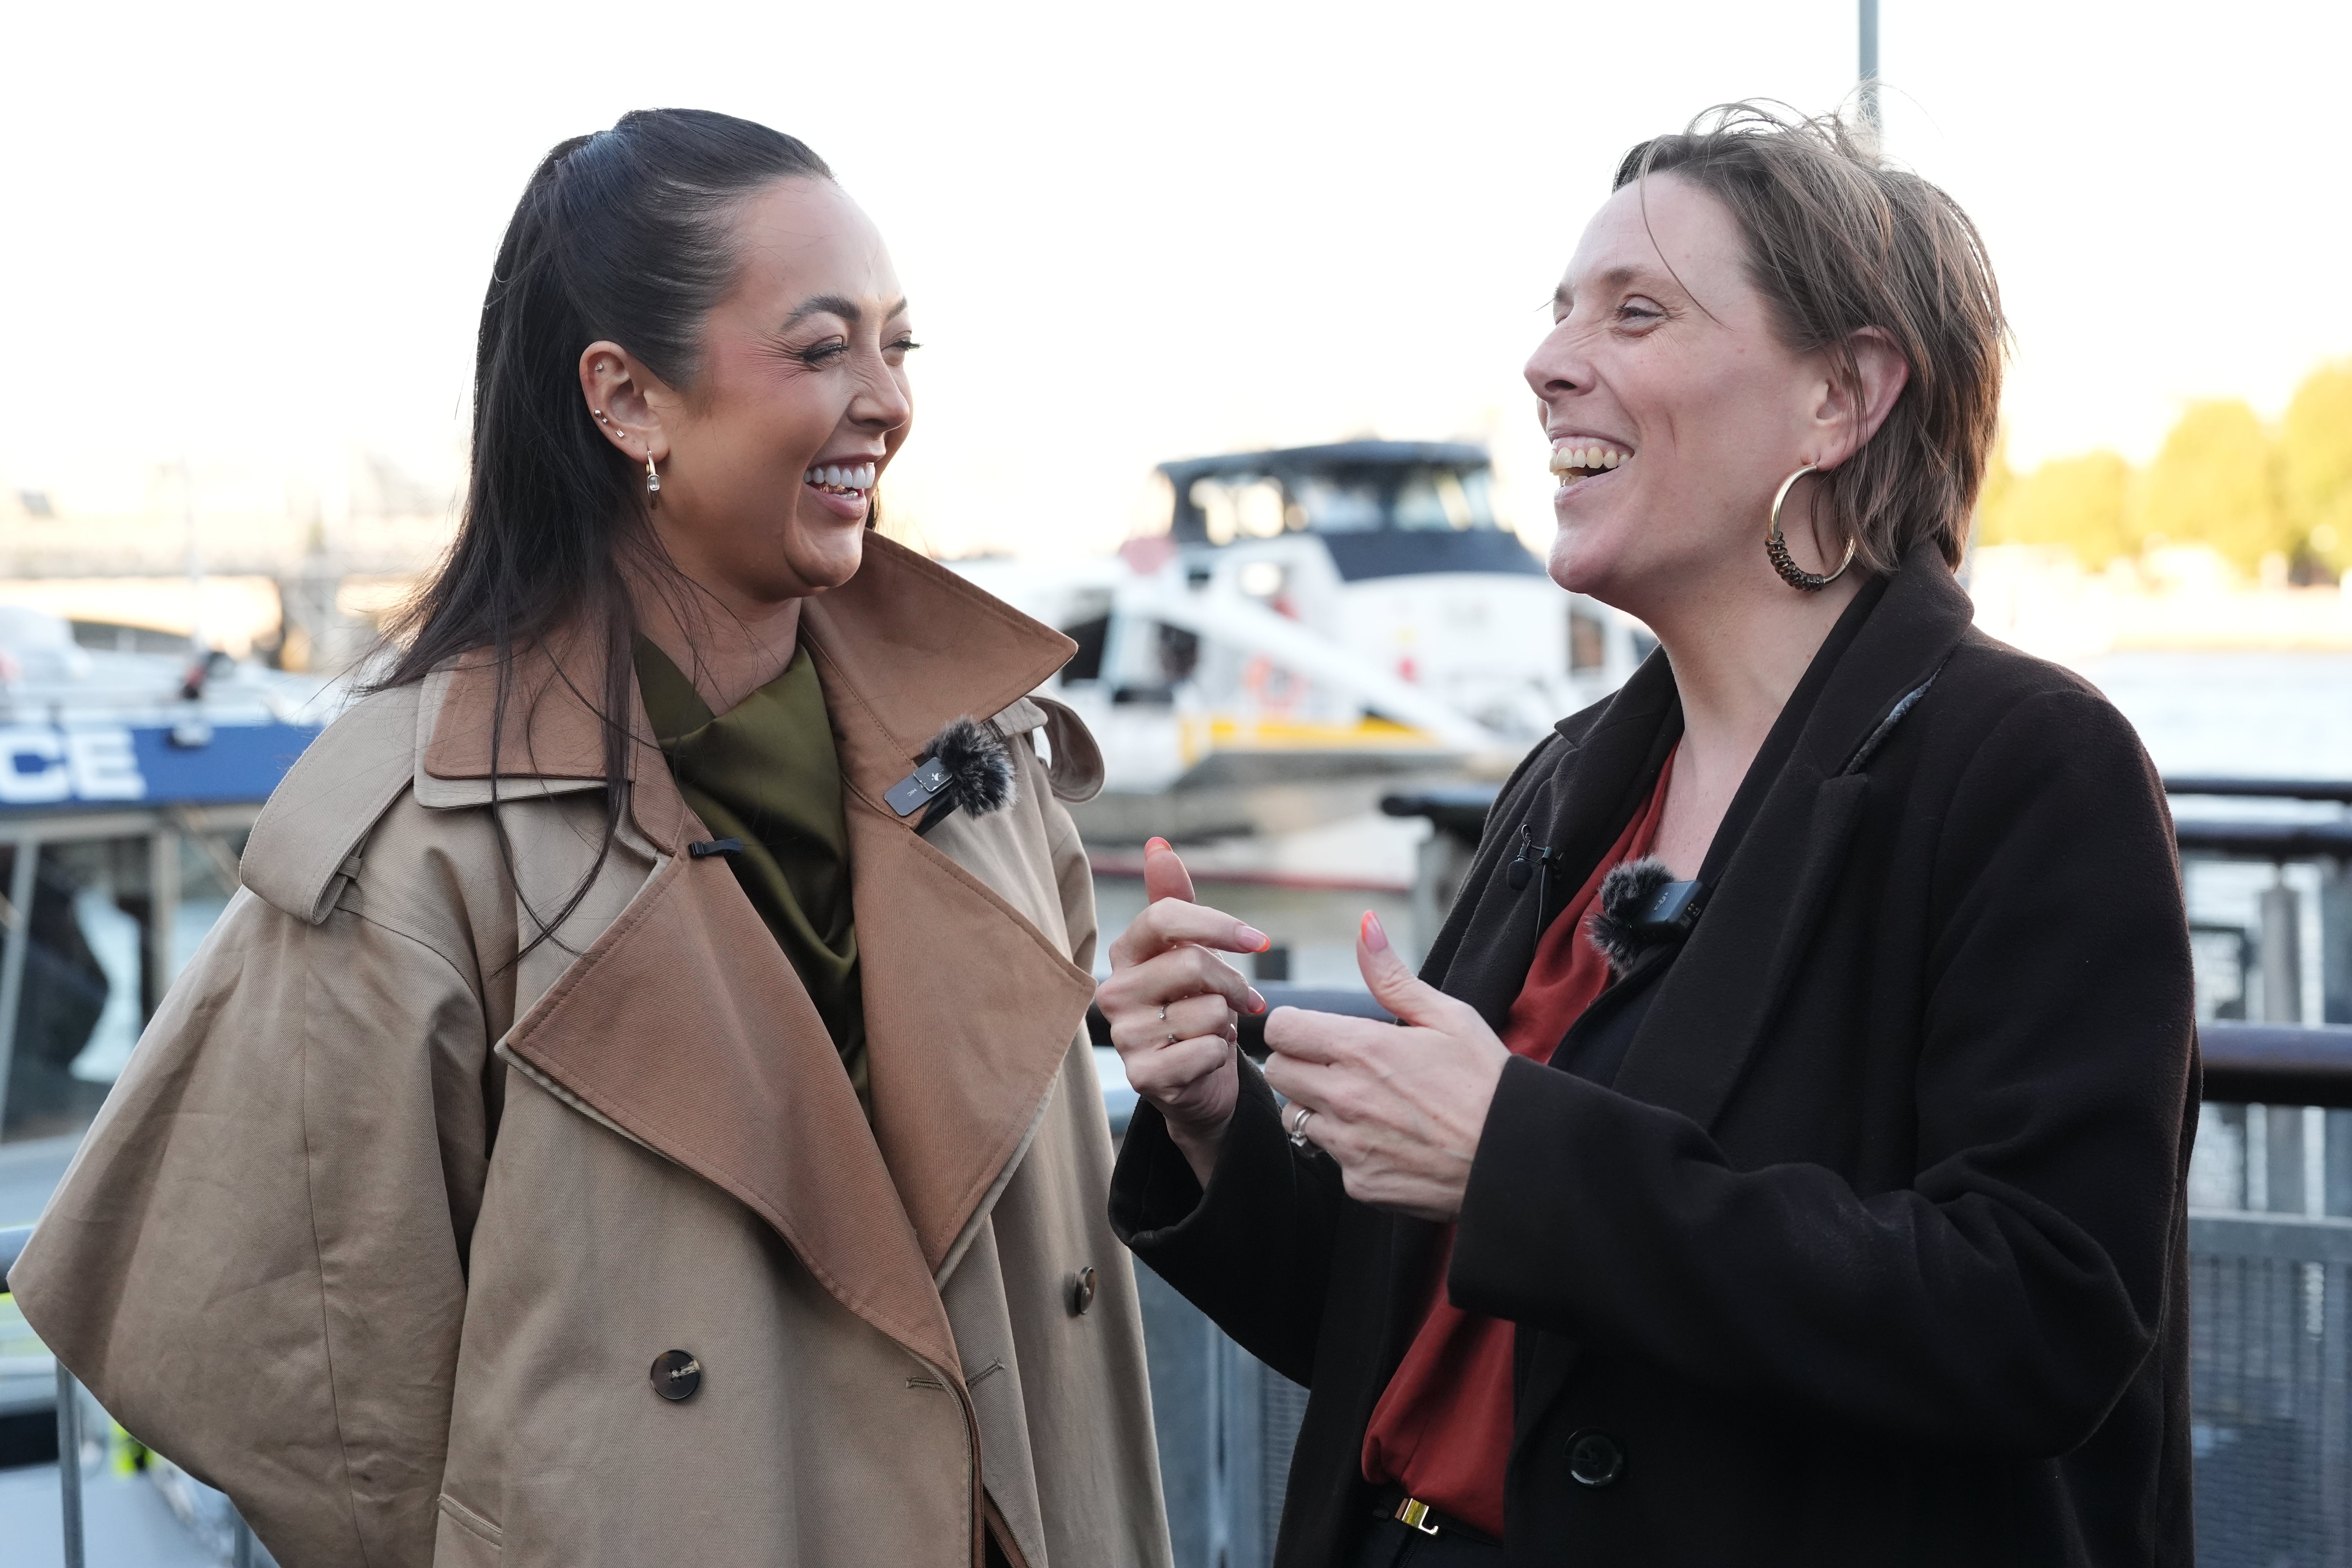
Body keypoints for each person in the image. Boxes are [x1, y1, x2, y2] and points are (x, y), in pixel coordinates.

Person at [13, 109, 1170, 1568]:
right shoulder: (428, 831)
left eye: (898, 345)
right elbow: (256, 1338)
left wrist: (1197, 1105)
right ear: (627, 399)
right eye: (820, 350)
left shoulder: (987, 750)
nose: (885, 400)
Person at [1100, 103, 2195, 1567]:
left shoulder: (2026, 769)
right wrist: (1219, 1123)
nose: (1551, 364)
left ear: (1842, 398)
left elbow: (2043, 1315)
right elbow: (1426, 1340)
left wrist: (1516, 1159)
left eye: (1636, 313)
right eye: (1560, 315)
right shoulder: (1571, 785)